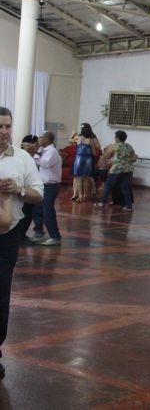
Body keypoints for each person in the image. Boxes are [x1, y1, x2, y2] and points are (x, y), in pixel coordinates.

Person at [0, 106, 44, 378]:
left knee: (1, 291)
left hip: (7, 236)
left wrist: (18, 189)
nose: (4, 131)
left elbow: (38, 195)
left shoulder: (22, 158)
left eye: (8, 126)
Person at [94, 130, 136, 211]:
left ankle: (102, 203)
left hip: (117, 169)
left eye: (115, 137)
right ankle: (128, 206)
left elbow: (106, 156)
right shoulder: (129, 146)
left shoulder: (114, 146)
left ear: (117, 138)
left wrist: (106, 160)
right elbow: (133, 158)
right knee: (125, 187)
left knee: (107, 185)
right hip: (128, 169)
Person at [35, 131, 63, 247]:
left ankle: (55, 236)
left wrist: (35, 154)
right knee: (37, 209)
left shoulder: (52, 151)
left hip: (51, 186)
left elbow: (45, 163)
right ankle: (38, 233)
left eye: (41, 137)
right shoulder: (44, 150)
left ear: (47, 139)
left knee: (47, 211)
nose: (39, 139)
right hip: (43, 185)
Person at [71, 123, 100, 202]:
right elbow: (95, 153)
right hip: (88, 160)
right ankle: (84, 195)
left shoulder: (78, 138)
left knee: (78, 178)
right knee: (86, 178)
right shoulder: (91, 140)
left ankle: (80, 195)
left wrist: (73, 134)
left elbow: (70, 141)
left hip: (79, 159)